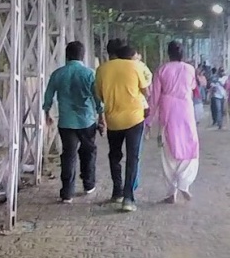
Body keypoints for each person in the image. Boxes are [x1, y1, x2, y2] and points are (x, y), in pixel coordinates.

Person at [42, 40, 105, 204]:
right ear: (82, 55)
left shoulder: (58, 74)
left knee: (68, 155)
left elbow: (48, 94)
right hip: (87, 120)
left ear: (67, 55)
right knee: (88, 152)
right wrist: (102, 118)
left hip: (66, 122)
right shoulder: (90, 74)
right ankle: (88, 184)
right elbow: (98, 98)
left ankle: (67, 193)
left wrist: (47, 112)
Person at [95, 42, 150, 211]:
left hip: (113, 120)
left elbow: (99, 96)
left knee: (115, 156)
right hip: (134, 118)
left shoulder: (102, 69)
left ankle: (117, 192)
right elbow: (146, 92)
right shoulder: (136, 67)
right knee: (133, 157)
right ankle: (128, 199)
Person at [146, 40, 200, 204]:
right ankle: (184, 183)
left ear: (168, 54)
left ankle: (172, 191)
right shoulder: (190, 69)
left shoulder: (161, 70)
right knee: (189, 145)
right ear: (183, 54)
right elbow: (192, 88)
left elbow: (154, 98)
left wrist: (148, 121)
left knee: (168, 148)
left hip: (168, 110)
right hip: (185, 109)